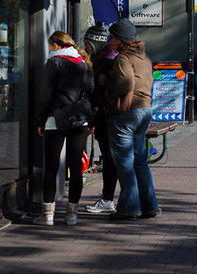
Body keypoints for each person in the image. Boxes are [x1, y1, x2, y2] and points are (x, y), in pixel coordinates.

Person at [34, 31, 94, 226]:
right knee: (75, 167)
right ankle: (72, 215)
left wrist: (41, 120)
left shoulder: (54, 62)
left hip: (55, 119)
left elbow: (45, 95)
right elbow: (91, 92)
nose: (49, 49)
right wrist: (90, 120)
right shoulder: (83, 63)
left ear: (57, 45)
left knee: (51, 167)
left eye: (50, 45)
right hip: (80, 120)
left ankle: (47, 215)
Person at [105, 18, 160, 221]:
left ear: (120, 40)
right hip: (144, 110)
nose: (109, 42)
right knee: (139, 161)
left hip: (126, 113)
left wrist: (107, 85)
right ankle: (149, 205)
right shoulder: (144, 57)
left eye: (112, 38)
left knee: (125, 163)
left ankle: (129, 208)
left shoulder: (123, 59)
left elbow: (125, 83)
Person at [83, 22, 119, 215]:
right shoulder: (104, 59)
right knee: (111, 158)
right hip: (106, 117)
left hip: (105, 117)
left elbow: (98, 94)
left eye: (88, 44)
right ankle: (109, 198)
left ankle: (107, 199)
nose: (87, 48)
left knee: (110, 158)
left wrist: (92, 120)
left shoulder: (106, 62)